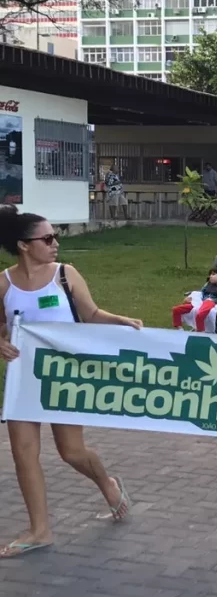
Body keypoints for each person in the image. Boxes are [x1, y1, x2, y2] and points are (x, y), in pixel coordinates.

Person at [0, 207, 142, 557]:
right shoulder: (3, 282)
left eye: (56, 235)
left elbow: (90, 313)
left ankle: (107, 483)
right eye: (47, 238)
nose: (55, 243)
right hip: (22, 377)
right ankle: (40, 530)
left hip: (64, 375)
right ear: (23, 245)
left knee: (71, 452)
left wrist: (119, 319)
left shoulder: (65, 275)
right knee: (24, 454)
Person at [171, 267, 217, 331]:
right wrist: (192, 297)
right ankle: (180, 330)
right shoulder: (208, 284)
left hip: (212, 302)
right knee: (176, 310)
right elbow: (202, 292)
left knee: (200, 315)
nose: (210, 276)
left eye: (213, 274)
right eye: (210, 274)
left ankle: (200, 332)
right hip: (201, 301)